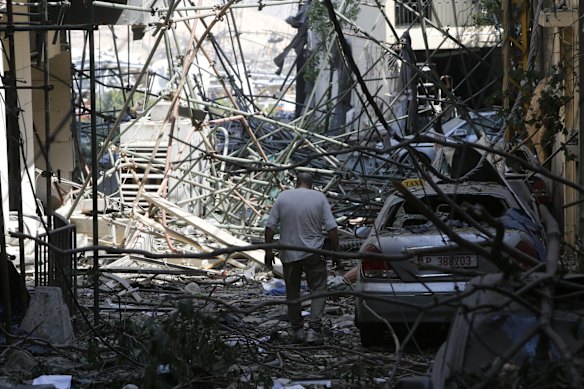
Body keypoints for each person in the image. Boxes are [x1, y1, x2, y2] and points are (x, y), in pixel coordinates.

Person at [264, 173, 340, 345]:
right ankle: (314, 330)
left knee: (292, 291)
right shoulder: (319, 197)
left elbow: (270, 228)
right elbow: (332, 229)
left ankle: (297, 329)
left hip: (289, 253)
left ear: (296, 183)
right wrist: (337, 255)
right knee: (319, 289)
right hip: (313, 252)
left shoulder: (283, 197)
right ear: (312, 185)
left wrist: (268, 252)